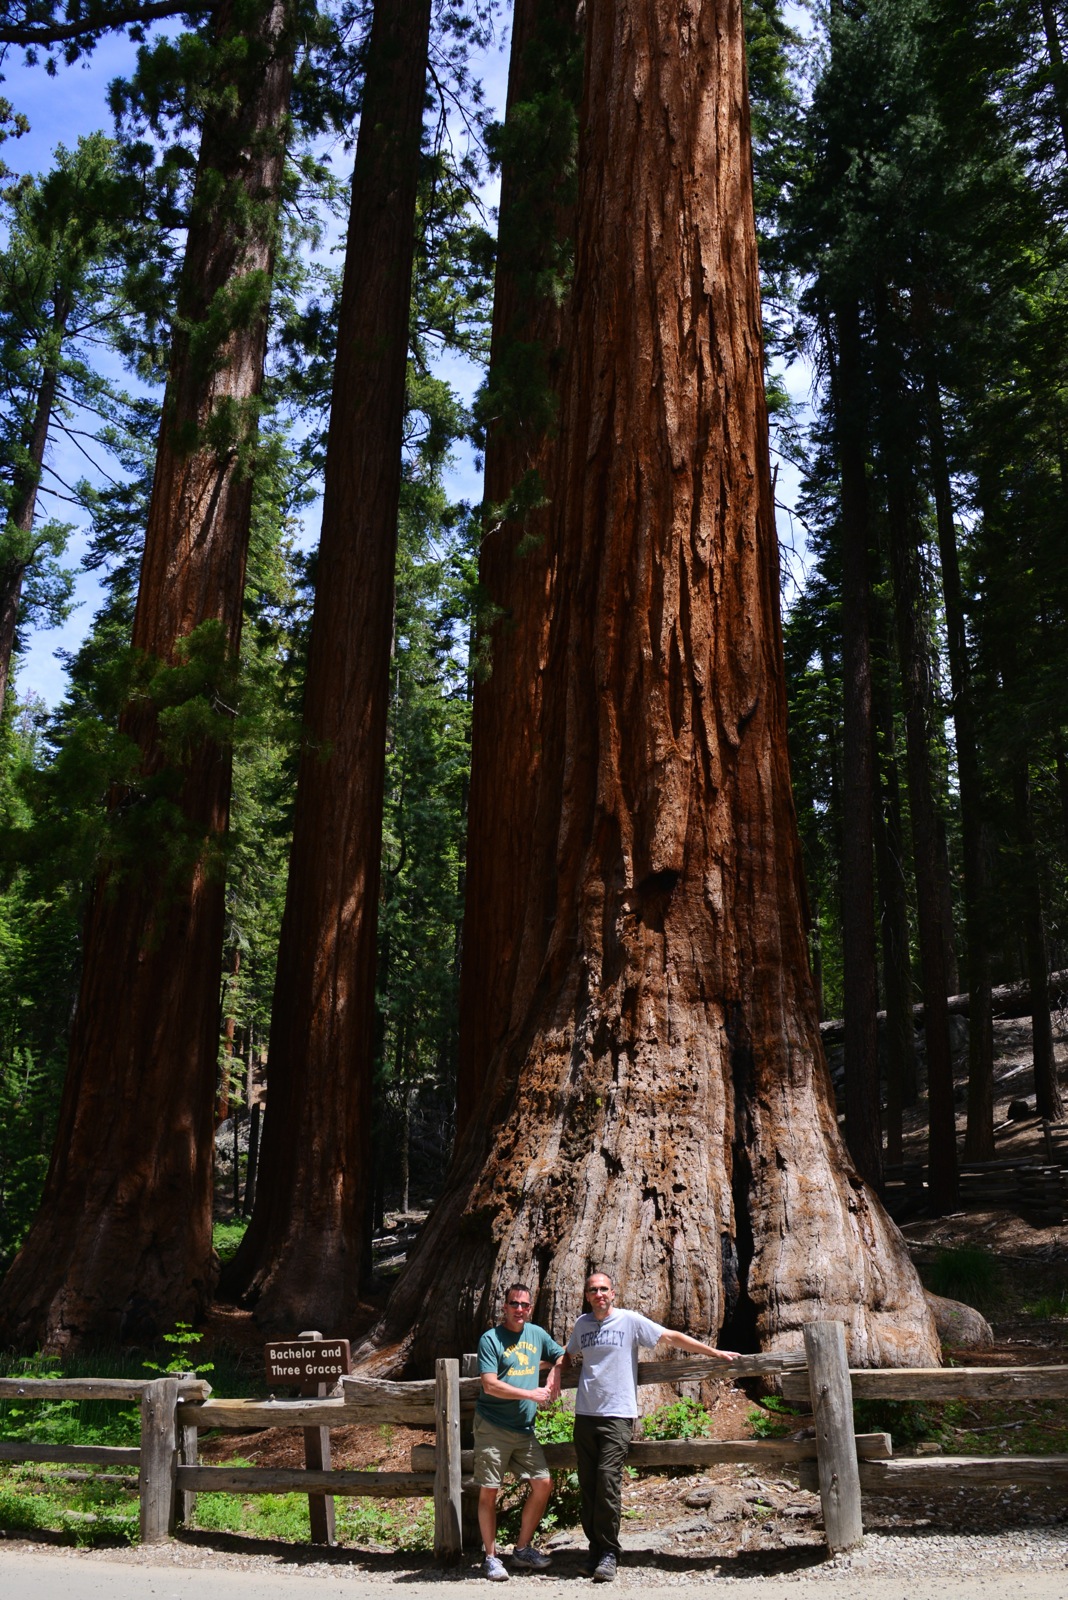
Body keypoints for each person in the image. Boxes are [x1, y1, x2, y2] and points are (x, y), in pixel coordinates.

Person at [563, 1270, 738, 1583]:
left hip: (617, 1415)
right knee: (588, 1485)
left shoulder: (629, 1321)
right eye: (593, 1290)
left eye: (604, 1289)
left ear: (613, 1293)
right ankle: (593, 1550)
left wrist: (714, 1352)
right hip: (585, 1415)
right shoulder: (582, 1325)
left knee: (607, 1482)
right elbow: (566, 1355)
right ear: (587, 1295)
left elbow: (670, 1336)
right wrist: (536, 1373)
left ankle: (609, 1552)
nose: (599, 1294)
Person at [475, 1282, 565, 1581]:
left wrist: (555, 1370)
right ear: (505, 1307)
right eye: (514, 1304)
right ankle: (490, 1557)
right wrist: (530, 1395)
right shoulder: (491, 1339)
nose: (520, 1310)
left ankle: (522, 1548)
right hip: (493, 1426)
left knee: (543, 1483)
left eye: (525, 1305)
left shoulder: (536, 1334)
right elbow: (489, 1384)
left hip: (524, 1430)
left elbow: (561, 1353)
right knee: (489, 1490)